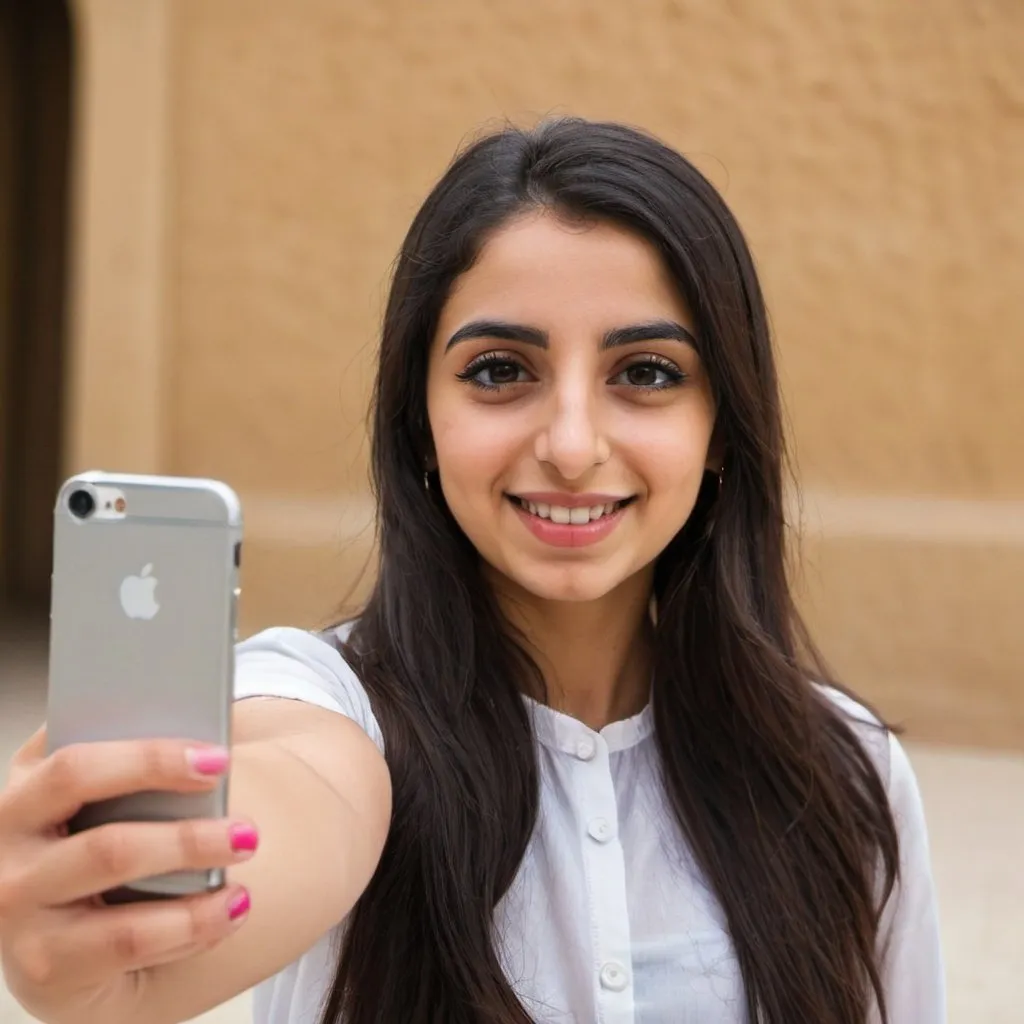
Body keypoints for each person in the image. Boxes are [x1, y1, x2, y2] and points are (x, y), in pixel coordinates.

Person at [0, 118, 944, 1024]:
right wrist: (100, 934)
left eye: (647, 372)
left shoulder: (848, 773)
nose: (572, 446)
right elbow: (307, 800)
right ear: (420, 421)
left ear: (721, 432)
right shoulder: (332, 711)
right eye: (500, 370)